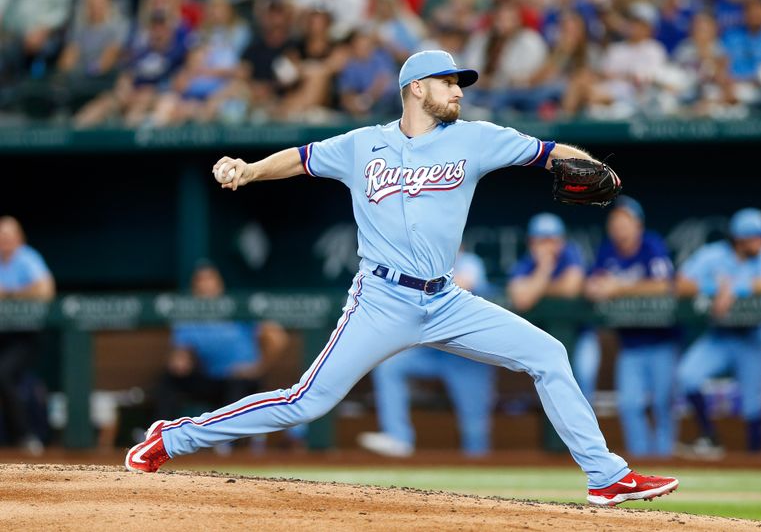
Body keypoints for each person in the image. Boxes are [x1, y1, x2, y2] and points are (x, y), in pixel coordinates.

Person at [125, 49, 679, 507]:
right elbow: (299, 158)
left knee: (549, 354)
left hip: (447, 300)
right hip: (382, 299)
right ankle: (172, 437)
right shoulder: (361, 145)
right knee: (307, 401)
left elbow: (550, 153)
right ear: (416, 88)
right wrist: (248, 171)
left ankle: (606, 477)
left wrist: (594, 166)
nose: (459, 91)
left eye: (460, 84)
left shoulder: (476, 139)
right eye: (449, 83)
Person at [357, 248, 496, 458]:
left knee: (474, 429)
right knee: (391, 367)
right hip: (436, 352)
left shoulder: (468, 261)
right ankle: (398, 437)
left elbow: (465, 283)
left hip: (469, 356)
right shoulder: (422, 265)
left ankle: (480, 479)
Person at [154, 260, 299, 453]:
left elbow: (277, 337)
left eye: (209, 279)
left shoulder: (236, 307)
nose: (205, 285)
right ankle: (161, 437)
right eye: (200, 281)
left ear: (219, 284)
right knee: (170, 379)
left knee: (237, 383)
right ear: (194, 286)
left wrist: (257, 367)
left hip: (242, 379)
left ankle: (228, 445)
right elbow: (182, 354)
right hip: (211, 378)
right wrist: (180, 362)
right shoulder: (188, 315)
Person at [675, 207, 761, 457]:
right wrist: (713, 288)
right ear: (740, 238)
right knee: (687, 375)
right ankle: (710, 437)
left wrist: (735, 288)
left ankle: (756, 463)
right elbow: (681, 283)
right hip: (720, 336)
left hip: (754, 337)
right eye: (757, 236)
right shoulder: (714, 255)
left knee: (753, 405)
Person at [583, 196, 681, 458]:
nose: (619, 226)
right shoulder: (607, 251)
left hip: (662, 341)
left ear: (637, 224)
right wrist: (595, 287)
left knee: (663, 404)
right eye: (615, 221)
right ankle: (641, 460)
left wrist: (620, 288)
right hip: (630, 345)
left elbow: (664, 286)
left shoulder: (652, 245)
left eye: (625, 220)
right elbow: (592, 284)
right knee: (629, 405)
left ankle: (664, 459)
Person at [506, 212, 600, 405]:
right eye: (541, 240)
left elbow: (571, 288)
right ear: (531, 242)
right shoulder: (526, 263)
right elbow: (521, 299)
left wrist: (536, 286)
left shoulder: (570, 253)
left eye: (552, 240)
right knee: (552, 393)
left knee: (583, 380)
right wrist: (545, 268)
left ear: (561, 241)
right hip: (545, 339)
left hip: (580, 335)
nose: (548, 246)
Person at [0, 216, 55, 455]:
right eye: (1, 237)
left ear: (19, 238)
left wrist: (11, 293)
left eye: (10, 237)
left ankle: (24, 436)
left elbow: (45, 290)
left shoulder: (27, 258)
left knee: (4, 373)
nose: (5, 242)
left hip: (25, 335)